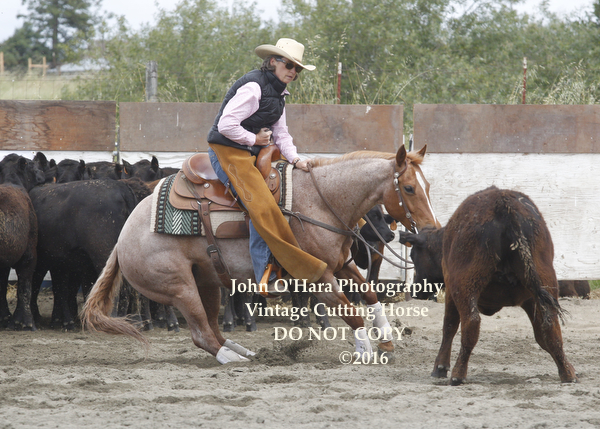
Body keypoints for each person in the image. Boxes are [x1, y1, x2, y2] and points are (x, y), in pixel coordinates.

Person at [207, 38, 327, 290]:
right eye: (289, 65)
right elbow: (226, 125)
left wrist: (296, 159)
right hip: (227, 151)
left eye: (298, 69)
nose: (293, 72)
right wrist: (254, 139)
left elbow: (281, 134)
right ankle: (265, 276)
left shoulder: (279, 93)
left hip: (254, 151)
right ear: (273, 61)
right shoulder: (254, 87)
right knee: (261, 206)